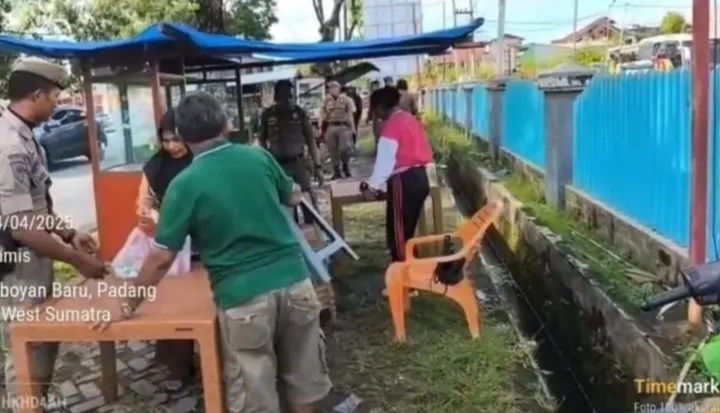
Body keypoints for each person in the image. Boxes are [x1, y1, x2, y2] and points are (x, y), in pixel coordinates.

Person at [94, 91, 332, 413]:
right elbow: (292, 196)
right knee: (303, 380)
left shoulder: (184, 184)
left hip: (242, 297)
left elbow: (161, 257)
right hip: (295, 282)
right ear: (225, 124)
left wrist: (127, 304)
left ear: (182, 136)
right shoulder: (258, 157)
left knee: (254, 393)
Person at [0, 57, 107, 409]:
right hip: (17, 264)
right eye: (54, 98)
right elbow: (23, 227)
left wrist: (69, 233)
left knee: (44, 339)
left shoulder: (24, 134)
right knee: (26, 345)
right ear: (36, 95)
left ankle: (37, 403)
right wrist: (78, 261)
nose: (57, 105)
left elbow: (36, 206)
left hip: (36, 256)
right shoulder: (9, 145)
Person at [136, 108, 195, 392]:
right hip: (170, 244)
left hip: (200, 244)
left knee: (194, 305)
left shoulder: (198, 161)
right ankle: (171, 363)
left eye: (176, 140)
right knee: (169, 304)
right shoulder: (156, 164)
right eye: (166, 140)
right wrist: (146, 212)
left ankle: (196, 361)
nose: (171, 146)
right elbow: (143, 199)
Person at [361, 86, 433, 281]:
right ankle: (409, 272)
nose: (374, 114)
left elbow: (385, 162)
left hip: (404, 180)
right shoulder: (410, 120)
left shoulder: (391, 126)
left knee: (398, 235)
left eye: (374, 109)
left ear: (381, 107)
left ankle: (405, 281)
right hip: (420, 177)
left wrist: (372, 187)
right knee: (406, 231)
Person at [259, 80, 323, 218]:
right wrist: (267, 159)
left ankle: (314, 226)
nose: (287, 99)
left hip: (298, 162)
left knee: (309, 203)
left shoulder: (299, 113)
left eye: (289, 95)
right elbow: (261, 139)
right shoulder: (268, 115)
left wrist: (317, 166)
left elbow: (311, 140)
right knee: (284, 205)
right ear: (277, 96)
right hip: (278, 165)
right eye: (284, 95)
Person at [322, 81, 354, 179]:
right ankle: (336, 170)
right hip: (331, 125)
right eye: (330, 88)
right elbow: (322, 113)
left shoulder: (346, 99)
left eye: (334, 87)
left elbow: (350, 113)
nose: (332, 90)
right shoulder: (326, 100)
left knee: (344, 148)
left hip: (342, 125)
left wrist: (352, 127)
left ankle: (345, 166)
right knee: (332, 150)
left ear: (339, 89)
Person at [366, 80, 383, 152]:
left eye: (374, 86)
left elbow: (371, 108)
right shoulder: (374, 95)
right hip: (377, 117)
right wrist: (368, 117)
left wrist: (368, 117)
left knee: (378, 133)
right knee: (377, 133)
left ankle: (379, 149)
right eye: (373, 86)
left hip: (379, 117)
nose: (373, 88)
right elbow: (371, 108)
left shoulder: (376, 95)